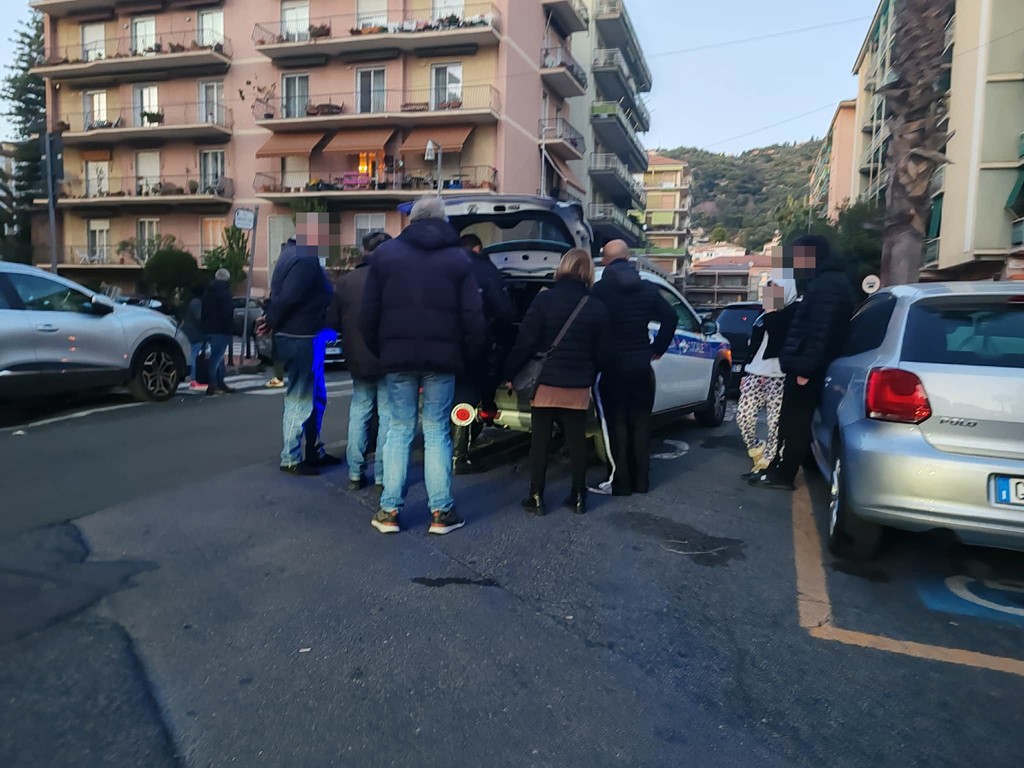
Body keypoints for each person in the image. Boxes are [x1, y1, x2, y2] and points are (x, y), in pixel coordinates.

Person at [361, 197, 486, 535]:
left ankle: (389, 510)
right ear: (442, 221)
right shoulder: (459, 258)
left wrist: (382, 351)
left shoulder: (385, 256)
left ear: (411, 221)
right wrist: (468, 355)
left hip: (397, 357)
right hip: (443, 360)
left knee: (399, 429)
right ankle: (441, 512)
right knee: (436, 430)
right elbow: (473, 317)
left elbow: (368, 313)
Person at [504, 248, 611, 516]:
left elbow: (525, 342)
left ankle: (536, 496)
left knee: (540, 441)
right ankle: (579, 496)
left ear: (562, 267)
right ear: (588, 272)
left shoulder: (544, 300)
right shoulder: (597, 306)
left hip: (546, 381)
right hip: (578, 383)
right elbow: (603, 353)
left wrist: (509, 374)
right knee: (576, 440)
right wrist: (588, 374)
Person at [750, 235, 855, 491]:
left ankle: (783, 473)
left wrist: (805, 368)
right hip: (796, 364)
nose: (795, 264)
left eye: (798, 257)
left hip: (801, 368)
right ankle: (775, 469)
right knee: (789, 422)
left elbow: (820, 331)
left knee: (793, 423)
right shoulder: (823, 283)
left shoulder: (825, 286)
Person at [590, 240, 676, 496]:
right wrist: (657, 348)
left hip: (612, 366)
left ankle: (621, 483)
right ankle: (642, 482)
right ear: (628, 258)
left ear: (605, 260)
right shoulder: (647, 288)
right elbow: (670, 317)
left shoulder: (600, 290)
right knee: (640, 423)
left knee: (616, 423)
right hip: (641, 364)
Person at [264, 213, 338, 476]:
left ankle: (313, 449)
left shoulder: (288, 254)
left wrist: (271, 320)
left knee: (312, 395)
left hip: (294, 335)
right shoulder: (306, 259)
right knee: (302, 397)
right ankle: (292, 456)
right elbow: (290, 297)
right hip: (302, 336)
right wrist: (271, 319)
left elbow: (281, 296)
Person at [327, 230, 393, 492]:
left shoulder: (345, 282)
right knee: (387, 415)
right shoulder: (391, 279)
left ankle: (355, 472)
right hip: (387, 357)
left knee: (359, 412)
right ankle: (382, 475)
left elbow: (332, 323)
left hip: (357, 357)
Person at [452, 233, 515, 474]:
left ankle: (443, 449)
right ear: (478, 249)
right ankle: (459, 456)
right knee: (465, 397)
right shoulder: (486, 270)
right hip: (473, 345)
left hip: (439, 345)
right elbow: (504, 313)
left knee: (445, 397)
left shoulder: (443, 267)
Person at [735, 277, 798, 479]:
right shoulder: (762, 315)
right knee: (743, 416)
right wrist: (744, 372)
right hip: (755, 371)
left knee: (775, 423)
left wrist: (772, 312)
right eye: (769, 289)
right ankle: (755, 447)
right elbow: (753, 345)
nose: (771, 293)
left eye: (776, 289)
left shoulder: (794, 313)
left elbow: (780, 338)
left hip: (779, 375)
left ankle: (768, 461)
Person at [201, 268, 234, 396]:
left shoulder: (208, 292)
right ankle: (213, 385)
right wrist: (230, 327)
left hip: (209, 328)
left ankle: (220, 383)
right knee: (216, 358)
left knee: (218, 358)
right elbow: (227, 312)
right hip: (221, 329)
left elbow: (203, 311)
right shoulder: (225, 292)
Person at [181, 284, 206, 390]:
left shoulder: (193, 302)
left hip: (191, 332)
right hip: (195, 333)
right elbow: (199, 318)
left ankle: (192, 377)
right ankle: (193, 378)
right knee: (194, 355)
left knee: (193, 355)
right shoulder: (197, 303)